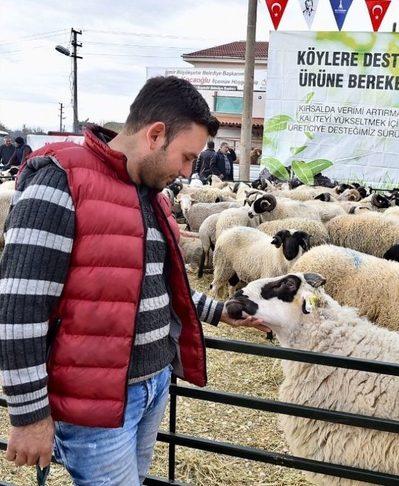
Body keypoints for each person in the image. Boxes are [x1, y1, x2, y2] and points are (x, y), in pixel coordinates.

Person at [0, 76, 270, 485]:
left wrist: (218, 310)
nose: (186, 171)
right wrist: (30, 413)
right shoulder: (60, 180)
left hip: (152, 385)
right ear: (155, 135)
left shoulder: (150, 194)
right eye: (185, 156)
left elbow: (156, 285)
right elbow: (20, 307)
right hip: (95, 402)